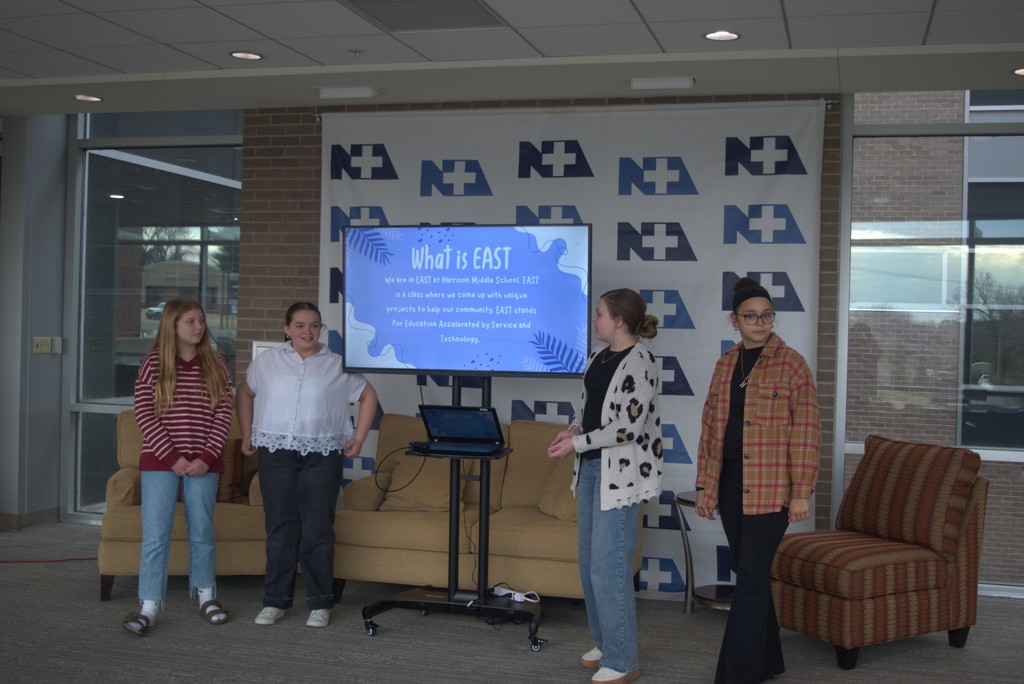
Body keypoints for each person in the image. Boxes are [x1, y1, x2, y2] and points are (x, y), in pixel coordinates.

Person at [694, 277, 821, 684]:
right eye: (751, 316)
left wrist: (801, 491)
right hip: (731, 484)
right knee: (751, 574)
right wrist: (706, 487)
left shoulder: (792, 364)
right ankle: (769, 662)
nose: (761, 322)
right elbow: (712, 428)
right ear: (735, 321)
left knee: (749, 578)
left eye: (767, 315)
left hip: (772, 489)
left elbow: (807, 431)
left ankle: (737, 674)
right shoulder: (726, 364)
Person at [237, 301, 377, 628]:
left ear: (321, 330)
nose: (307, 332)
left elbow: (369, 396)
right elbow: (244, 394)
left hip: (322, 453)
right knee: (281, 527)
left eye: (314, 325)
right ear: (286, 329)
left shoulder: (338, 365)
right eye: (300, 325)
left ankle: (319, 603)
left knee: (317, 528)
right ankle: (275, 602)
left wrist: (358, 438)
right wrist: (247, 433)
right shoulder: (267, 362)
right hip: (276, 453)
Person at [548, 288, 663, 684]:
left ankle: (623, 658)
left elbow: (627, 427)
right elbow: (588, 409)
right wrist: (574, 430)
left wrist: (578, 443)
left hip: (622, 476)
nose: (593, 320)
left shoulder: (642, 361)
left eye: (598, 314)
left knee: (609, 568)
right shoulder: (599, 357)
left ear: (618, 320)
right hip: (592, 470)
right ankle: (605, 643)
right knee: (588, 564)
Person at [122, 298, 234, 636]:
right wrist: (173, 458)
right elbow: (145, 414)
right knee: (156, 536)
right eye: (190, 321)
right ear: (172, 326)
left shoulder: (215, 363)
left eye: (201, 320)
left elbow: (223, 415)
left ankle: (205, 595)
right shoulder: (153, 363)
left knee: (202, 531)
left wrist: (205, 457)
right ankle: (149, 605)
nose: (198, 327)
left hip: (204, 464)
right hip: (160, 462)